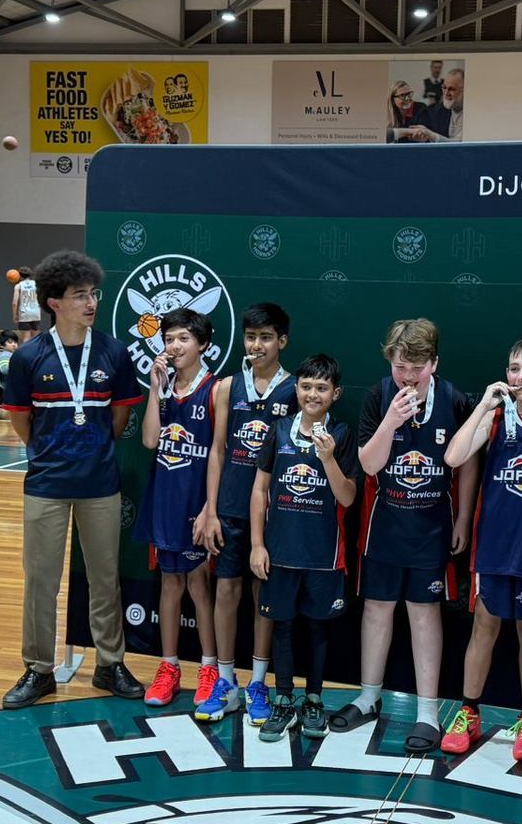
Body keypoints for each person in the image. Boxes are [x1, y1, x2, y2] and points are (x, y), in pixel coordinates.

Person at [0, 251, 145, 709]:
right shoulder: (27, 357)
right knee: (40, 580)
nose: (90, 302)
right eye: (80, 295)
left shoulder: (114, 352)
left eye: (93, 293)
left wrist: (92, 449)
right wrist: (48, 454)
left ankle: (109, 663)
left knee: (104, 578)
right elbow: (21, 421)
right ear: (53, 302)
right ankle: (38, 669)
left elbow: (119, 419)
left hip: (100, 482)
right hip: (46, 483)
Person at [333, 318, 479, 753]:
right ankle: (368, 697)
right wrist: (392, 421)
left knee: (423, 612)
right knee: (376, 608)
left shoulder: (453, 399)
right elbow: (370, 463)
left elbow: (468, 461)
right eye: (401, 366)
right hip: (383, 526)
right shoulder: (379, 395)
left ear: (434, 362)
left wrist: (464, 518)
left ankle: (428, 712)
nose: (409, 376)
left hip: (432, 526)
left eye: (417, 367)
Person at [438, 336, 522, 760]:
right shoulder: (495, 418)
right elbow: (453, 457)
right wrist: (483, 405)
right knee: (484, 626)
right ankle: (469, 711)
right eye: (514, 367)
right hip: (494, 544)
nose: (519, 376)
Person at [194, 302, 296, 729]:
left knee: (263, 598)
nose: (257, 345)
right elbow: (216, 450)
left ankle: (258, 683)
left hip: (274, 515)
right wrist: (210, 508)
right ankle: (224, 681)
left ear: (282, 342)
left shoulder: (295, 390)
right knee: (226, 591)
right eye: (251, 337)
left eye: (266, 337)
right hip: (230, 509)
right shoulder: (226, 387)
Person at [250, 352, 360, 742]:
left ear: (335, 393)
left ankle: (313, 699)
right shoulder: (277, 429)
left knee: (316, 628)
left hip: (323, 556)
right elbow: (260, 489)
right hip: (279, 552)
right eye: (307, 386)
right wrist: (257, 544)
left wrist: (328, 458)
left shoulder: (343, 435)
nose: (313, 394)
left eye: (322, 388)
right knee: (281, 626)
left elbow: (347, 497)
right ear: (296, 389)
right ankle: (283, 701)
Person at [135, 307, 220, 710]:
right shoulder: (164, 389)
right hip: (165, 501)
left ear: (203, 343)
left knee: (200, 587)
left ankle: (209, 669)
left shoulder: (216, 389)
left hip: (197, 505)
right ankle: (168, 668)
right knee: (169, 586)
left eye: (184, 338)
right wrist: (155, 389)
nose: (175, 345)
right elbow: (150, 441)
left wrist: (211, 508)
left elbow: (221, 454)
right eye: (169, 339)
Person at [12, 267, 39, 338]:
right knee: (35, 338)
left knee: (26, 338)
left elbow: (15, 302)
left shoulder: (18, 286)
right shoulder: (36, 284)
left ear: (19, 275)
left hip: (24, 314)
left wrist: (14, 315)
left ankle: (27, 349)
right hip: (35, 313)